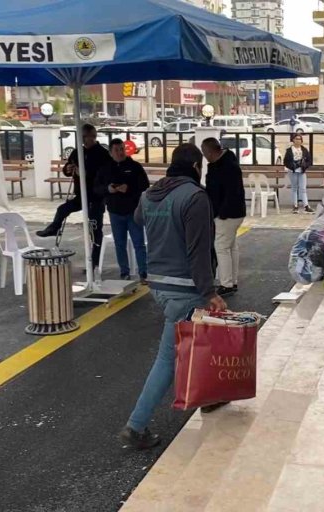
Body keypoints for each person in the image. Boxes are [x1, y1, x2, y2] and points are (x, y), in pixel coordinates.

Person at [123, 144, 228, 450]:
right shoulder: (195, 197)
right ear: (197, 166)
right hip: (185, 287)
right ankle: (136, 425)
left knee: (199, 340)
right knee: (168, 359)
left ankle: (209, 397)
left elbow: (140, 219)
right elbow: (198, 250)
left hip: (158, 283)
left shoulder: (149, 195)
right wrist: (209, 292)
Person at [36, 124, 113, 269]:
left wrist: (84, 173)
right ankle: (54, 228)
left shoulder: (102, 154)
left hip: (96, 197)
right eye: (81, 137)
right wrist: (68, 169)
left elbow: (103, 176)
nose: (83, 140)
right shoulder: (77, 152)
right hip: (80, 194)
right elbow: (67, 167)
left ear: (93, 136)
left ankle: (94, 262)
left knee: (95, 229)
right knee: (62, 209)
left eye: (85, 137)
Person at [96, 138, 150, 283]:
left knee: (139, 243)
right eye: (116, 150)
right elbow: (97, 188)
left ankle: (143, 272)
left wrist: (129, 188)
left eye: (122, 149)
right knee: (120, 244)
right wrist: (109, 189)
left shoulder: (135, 166)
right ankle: (124, 272)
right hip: (115, 211)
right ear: (111, 152)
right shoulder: (105, 168)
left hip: (133, 211)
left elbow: (145, 186)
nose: (120, 152)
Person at [201, 137, 246, 298]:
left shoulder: (223, 167)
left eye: (204, 153)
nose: (204, 156)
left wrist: (221, 213)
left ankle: (226, 284)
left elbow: (225, 192)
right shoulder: (230, 163)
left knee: (221, 247)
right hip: (236, 212)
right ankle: (232, 281)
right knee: (231, 246)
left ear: (210, 151)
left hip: (226, 214)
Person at [284, 134, 312, 214]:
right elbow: (285, 162)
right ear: (293, 140)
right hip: (293, 171)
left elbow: (309, 161)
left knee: (303, 189)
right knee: (294, 188)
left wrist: (304, 165)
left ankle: (306, 206)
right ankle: (295, 206)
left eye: (300, 139)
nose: (298, 140)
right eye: (296, 139)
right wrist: (292, 166)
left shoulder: (304, 149)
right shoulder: (289, 150)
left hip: (302, 171)